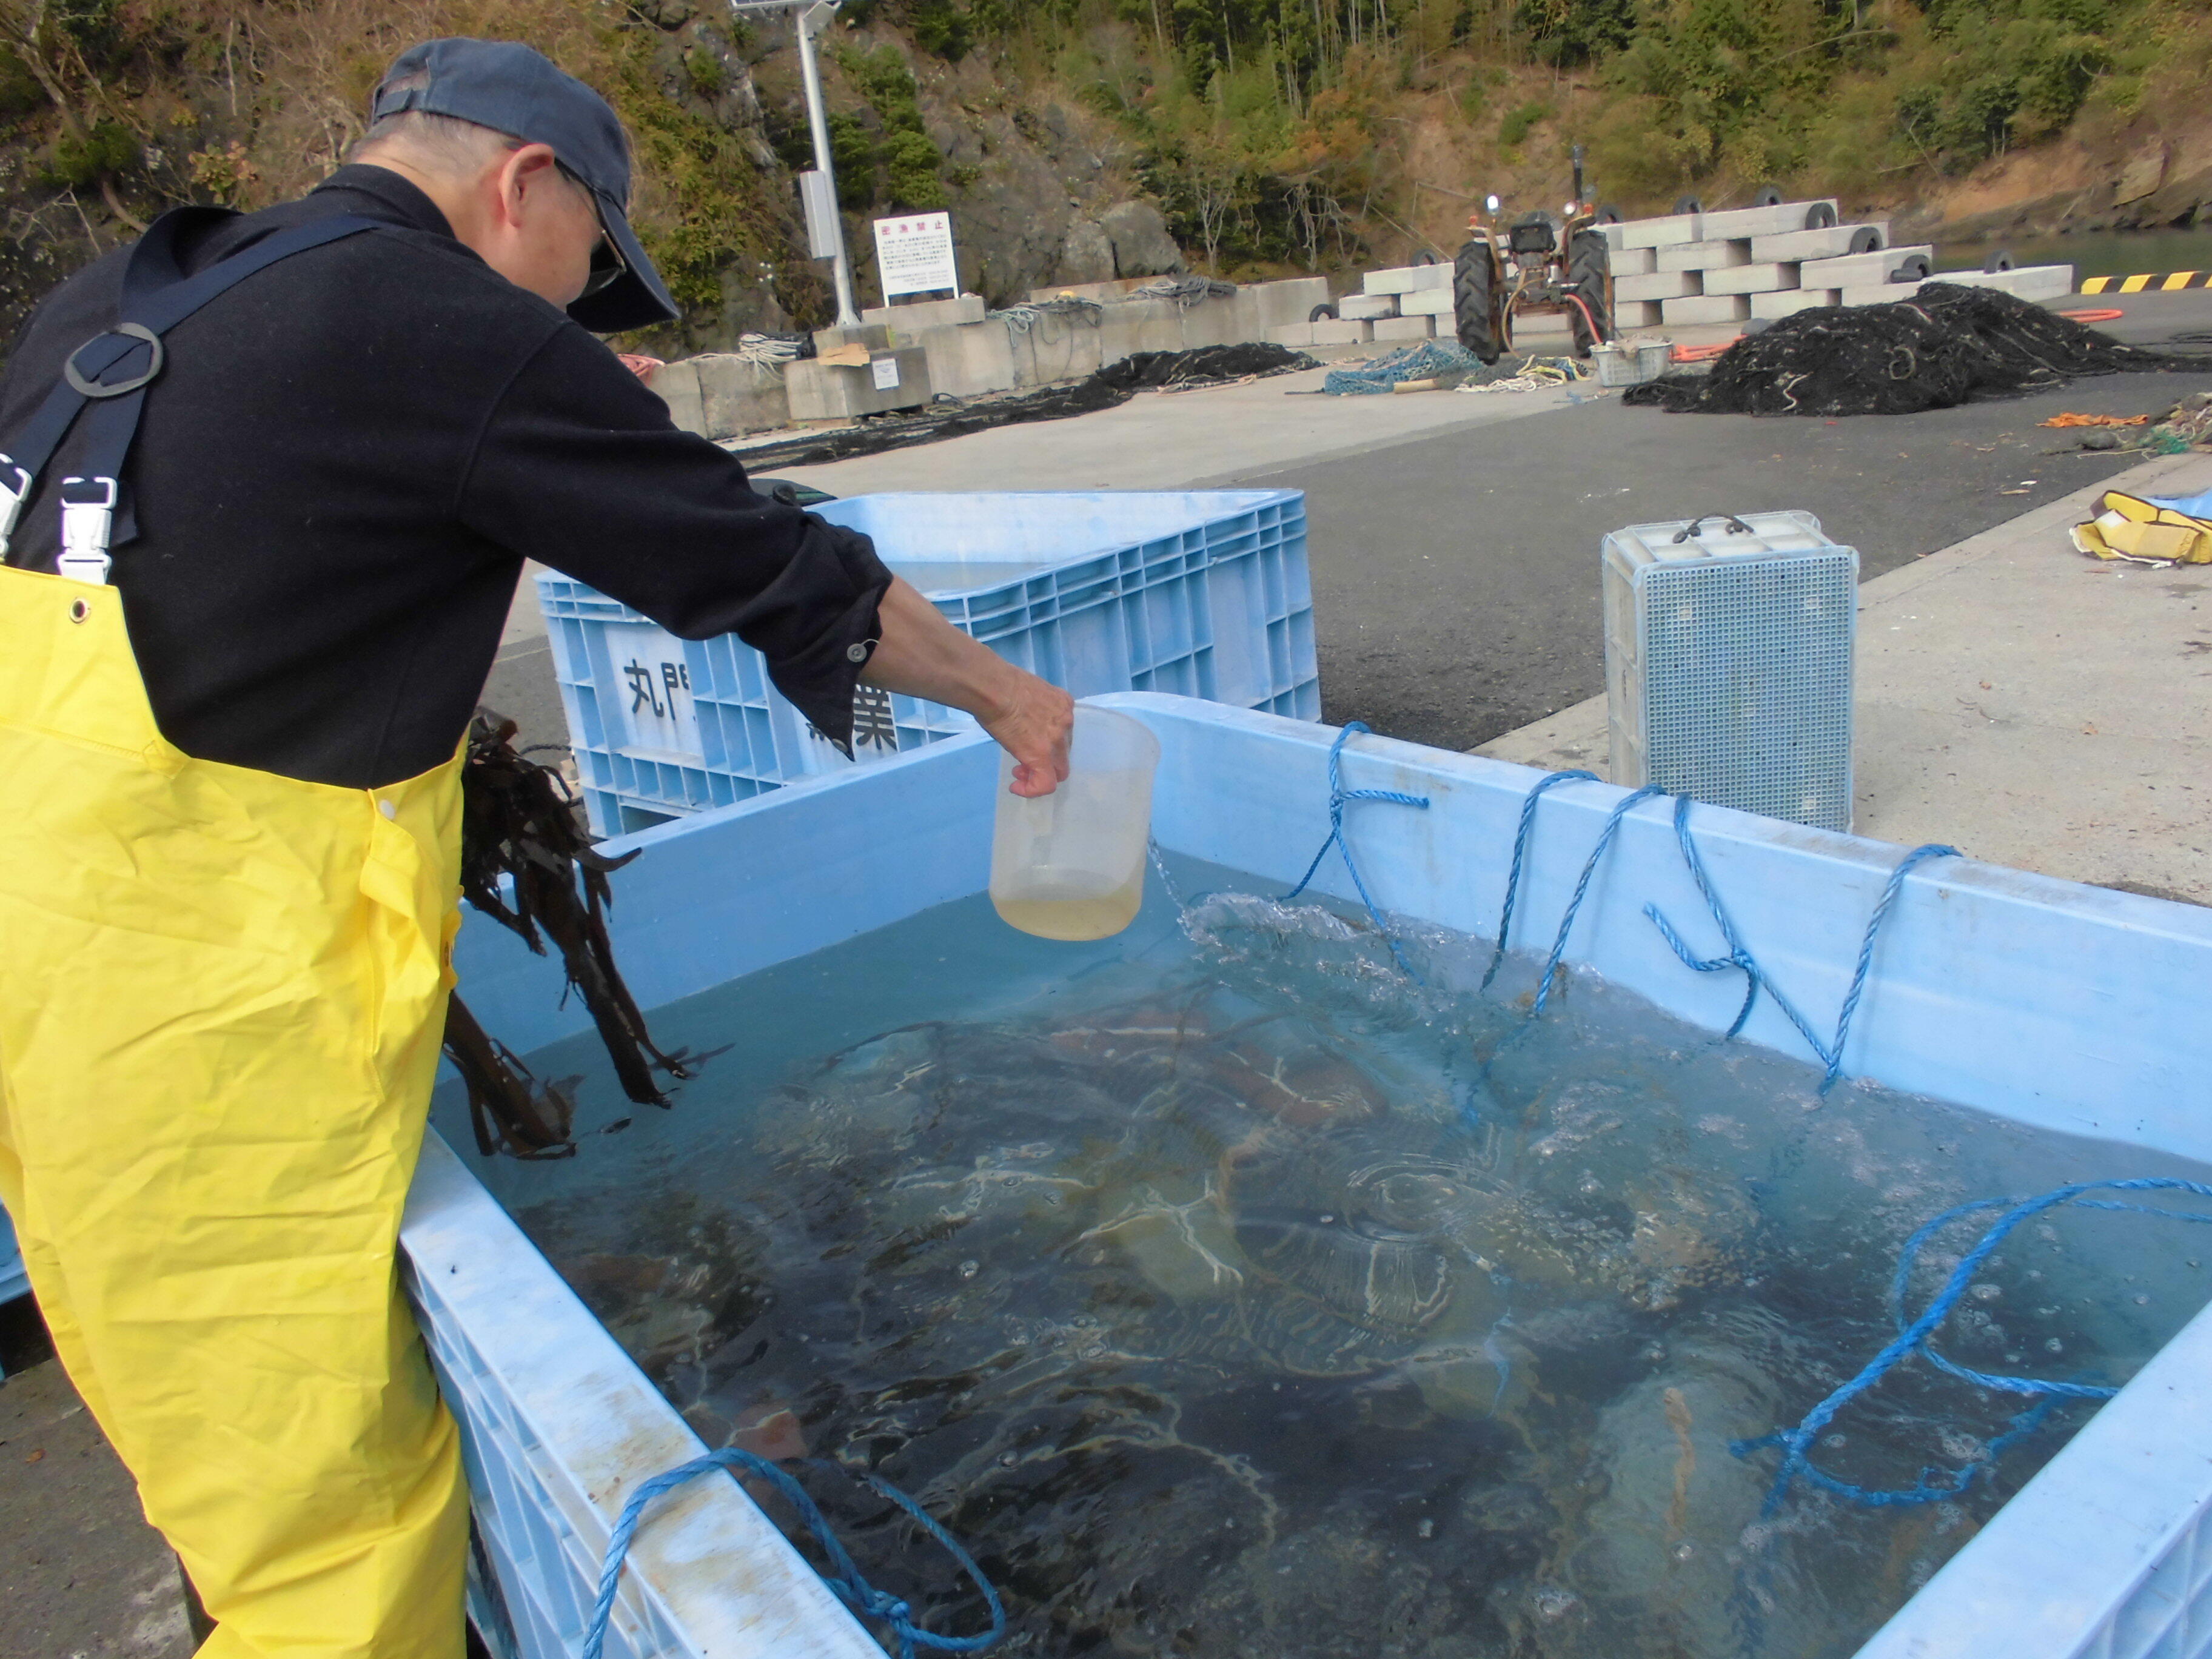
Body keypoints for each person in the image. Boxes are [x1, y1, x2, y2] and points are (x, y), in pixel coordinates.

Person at [0, 36, 1071, 1659]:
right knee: (338, 1549)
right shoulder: (447, 332)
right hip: (187, 1033)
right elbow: (776, 567)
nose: (577, 313)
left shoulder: (132, 293)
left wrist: (538, 423)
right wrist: (1006, 698)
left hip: (39, 960)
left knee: (190, 1443)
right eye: (591, 271)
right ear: (525, 186)